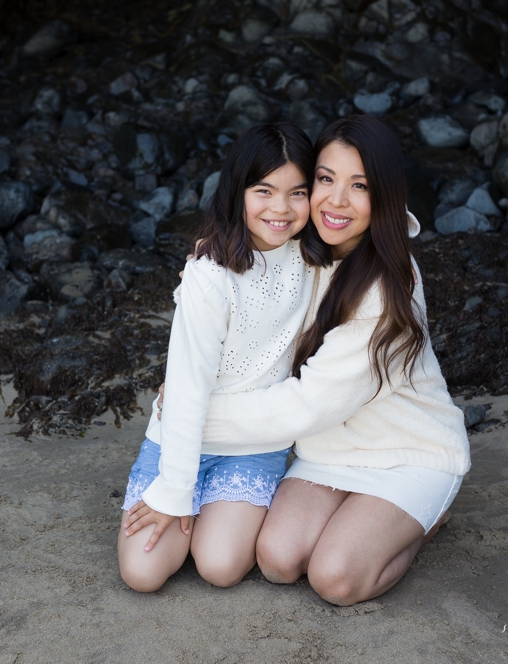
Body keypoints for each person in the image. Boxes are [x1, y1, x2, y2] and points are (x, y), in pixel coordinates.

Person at [187, 114, 472, 607]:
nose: (336, 201)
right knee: (277, 560)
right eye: (325, 179)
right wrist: (210, 260)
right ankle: (365, 522)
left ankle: (425, 519)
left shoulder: (387, 285)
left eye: (359, 185)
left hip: (407, 451)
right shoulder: (302, 244)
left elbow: (306, 406)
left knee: (334, 579)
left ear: (384, 195)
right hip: (327, 450)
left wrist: (194, 415)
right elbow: (240, 274)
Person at [117, 123, 318, 594]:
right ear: (237, 191)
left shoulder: (317, 260)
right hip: (179, 439)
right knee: (142, 574)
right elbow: (186, 387)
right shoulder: (210, 274)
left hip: (254, 446)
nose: (281, 209)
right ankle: (188, 499)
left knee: (220, 566)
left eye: (298, 193)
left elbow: (365, 214)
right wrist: (174, 491)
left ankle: (222, 514)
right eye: (264, 191)